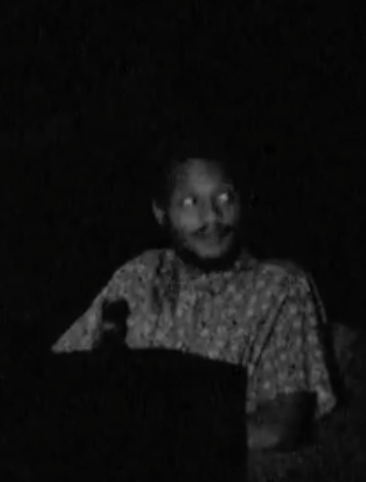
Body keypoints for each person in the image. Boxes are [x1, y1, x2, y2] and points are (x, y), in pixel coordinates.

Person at [52, 146, 337, 450]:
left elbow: (280, 426)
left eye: (225, 198)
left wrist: (163, 439)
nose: (212, 217)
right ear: (162, 214)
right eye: (191, 203)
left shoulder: (278, 286)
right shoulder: (139, 274)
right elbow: (62, 373)